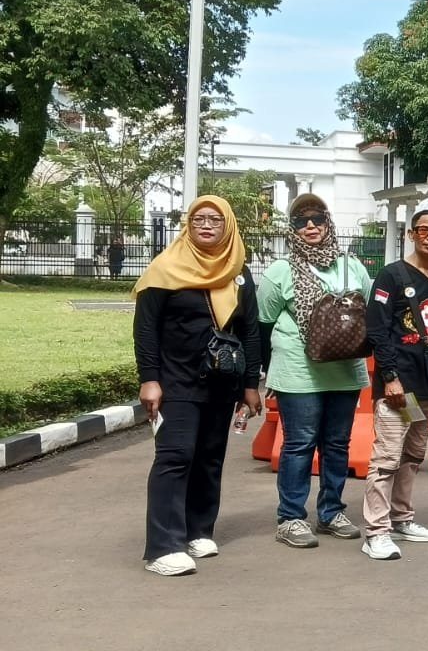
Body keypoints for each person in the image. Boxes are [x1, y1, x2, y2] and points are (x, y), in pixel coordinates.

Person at [135, 196, 264, 576]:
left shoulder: (238, 271)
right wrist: (149, 379)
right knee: (175, 456)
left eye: (215, 220)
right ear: (188, 225)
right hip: (176, 378)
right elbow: (146, 329)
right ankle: (162, 546)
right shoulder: (165, 268)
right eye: (198, 219)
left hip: (222, 381)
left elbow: (250, 330)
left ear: (228, 226)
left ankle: (198, 530)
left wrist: (250, 384)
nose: (206, 225)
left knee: (209, 456)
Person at [257, 193, 371, 549]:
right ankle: (291, 518)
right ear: (291, 229)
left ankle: (331, 512)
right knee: (300, 443)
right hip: (297, 371)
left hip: (344, 370)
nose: (310, 226)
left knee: (337, 444)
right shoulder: (279, 271)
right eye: (300, 220)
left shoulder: (353, 267)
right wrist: (268, 373)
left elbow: (369, 312)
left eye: (317, 219)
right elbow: (263, 322)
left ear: (328, 223)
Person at [361, 193, 428, 561]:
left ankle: (402, 518)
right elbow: (378, 330)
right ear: (411, 234)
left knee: (412, 454)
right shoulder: (392, 274)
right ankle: (376, 530)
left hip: (426, 385)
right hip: (398, 387)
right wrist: (389, 377)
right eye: (425, 230)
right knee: (387, 456)